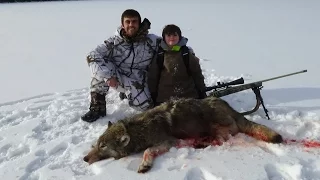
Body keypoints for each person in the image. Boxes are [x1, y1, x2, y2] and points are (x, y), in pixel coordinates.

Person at [81, 9, 160, 123]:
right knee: (99, 70)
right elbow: (92, 55)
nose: (131, 25)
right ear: (122, 24)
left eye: (134, 21)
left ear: (139, 23)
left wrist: (189, 55)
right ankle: (97, 108)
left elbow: (171, 44)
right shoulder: (114, 42)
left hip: (139, 81)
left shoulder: (151, 41)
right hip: (118, 77)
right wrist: (107, 76)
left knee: (146, 107)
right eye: (128, 22)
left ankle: (127, 94)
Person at [147, 24, 207, 106]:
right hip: (165, 100)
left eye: (175, 35)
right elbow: (153, 78)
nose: (172, 37)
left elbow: (197, 74)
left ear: (179, 37)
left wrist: (202, 92)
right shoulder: (160, 55)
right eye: (169, 35)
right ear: (164, 38)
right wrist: (153, 97)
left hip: (188, 98)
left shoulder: (186, 53)